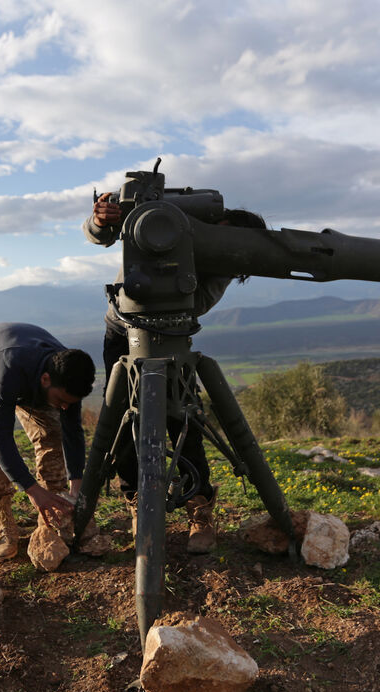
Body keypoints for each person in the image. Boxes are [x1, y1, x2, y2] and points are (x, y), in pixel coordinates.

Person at [84, 195, 268, 553]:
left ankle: (199, 507)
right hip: (122, 331)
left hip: (172, 336)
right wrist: (102, 219)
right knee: (124, 422)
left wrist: (186, 267)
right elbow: (100, 232)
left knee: (184, 421)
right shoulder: (169, 217)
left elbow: (198, 302)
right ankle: (137, 500)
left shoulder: (224, 260)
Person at [0, 322, 96, 562]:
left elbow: (72, 432)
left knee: (52, 434)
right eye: (61, 400)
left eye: (69, 403)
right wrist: (32, 490)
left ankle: (55, 517)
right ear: (45, 379)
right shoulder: (10, 367)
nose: (65, 407)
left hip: (26, 373)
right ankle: (4, 523)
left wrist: (76, 484)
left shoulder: (69, 373)